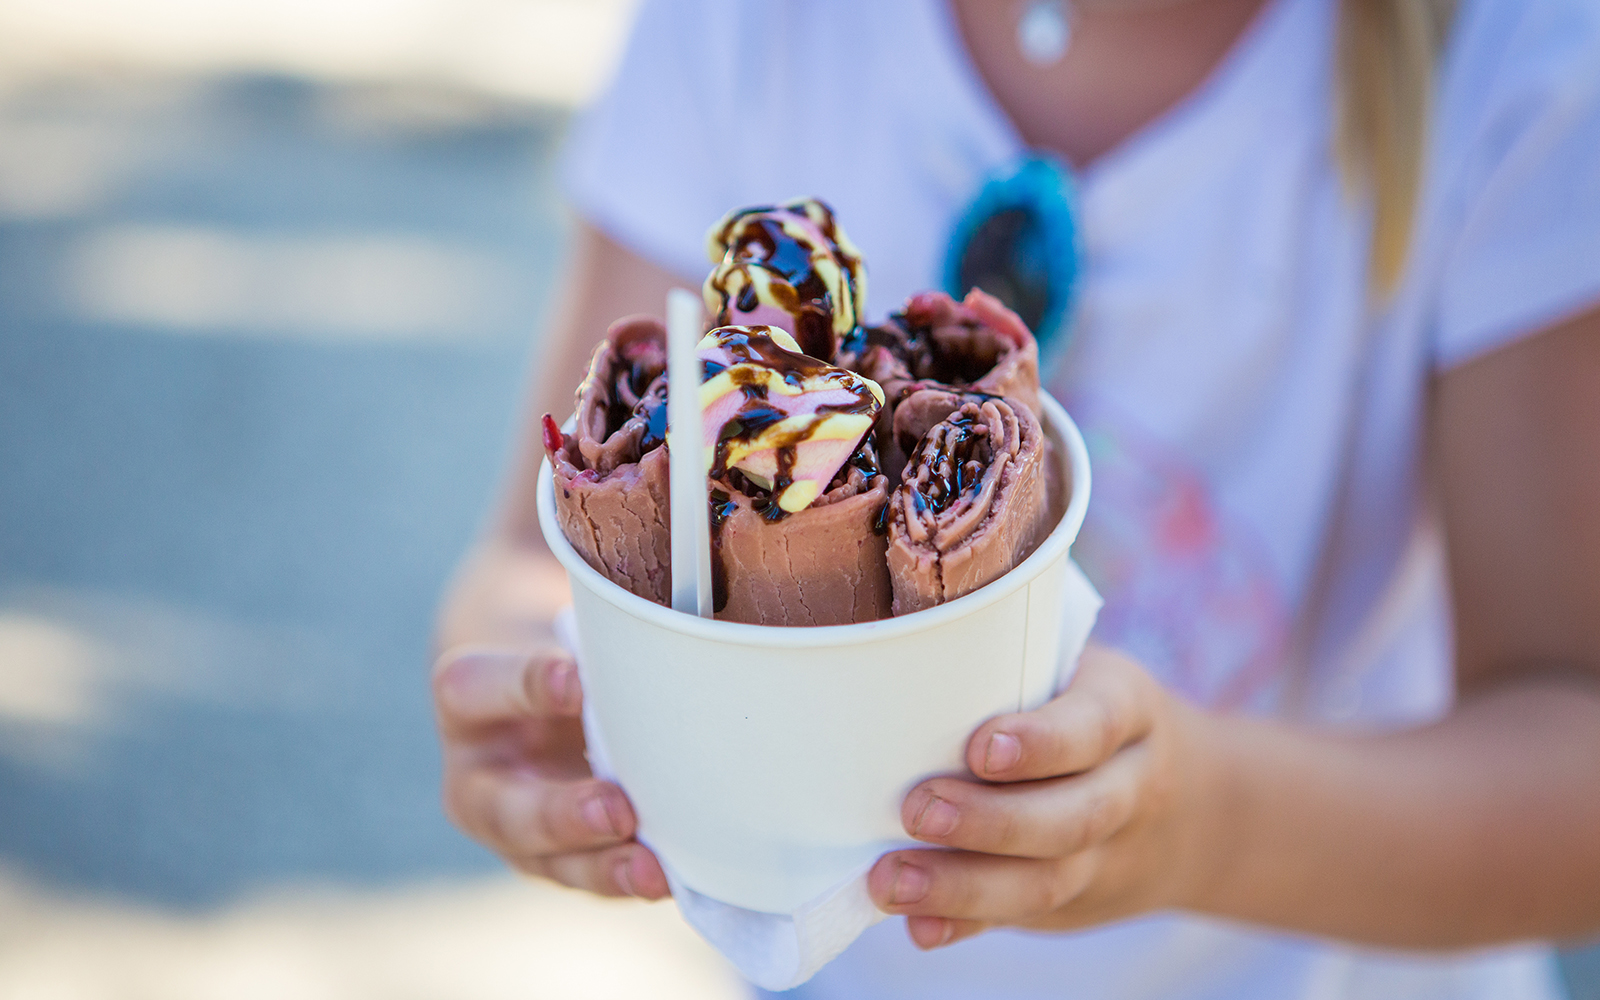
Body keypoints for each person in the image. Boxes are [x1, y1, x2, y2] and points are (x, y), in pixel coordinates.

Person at [430, 0, 1600, 996]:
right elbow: (540, 564)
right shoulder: (753, 26)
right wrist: (537, 681)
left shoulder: (1514, 63)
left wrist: (1195, 823)